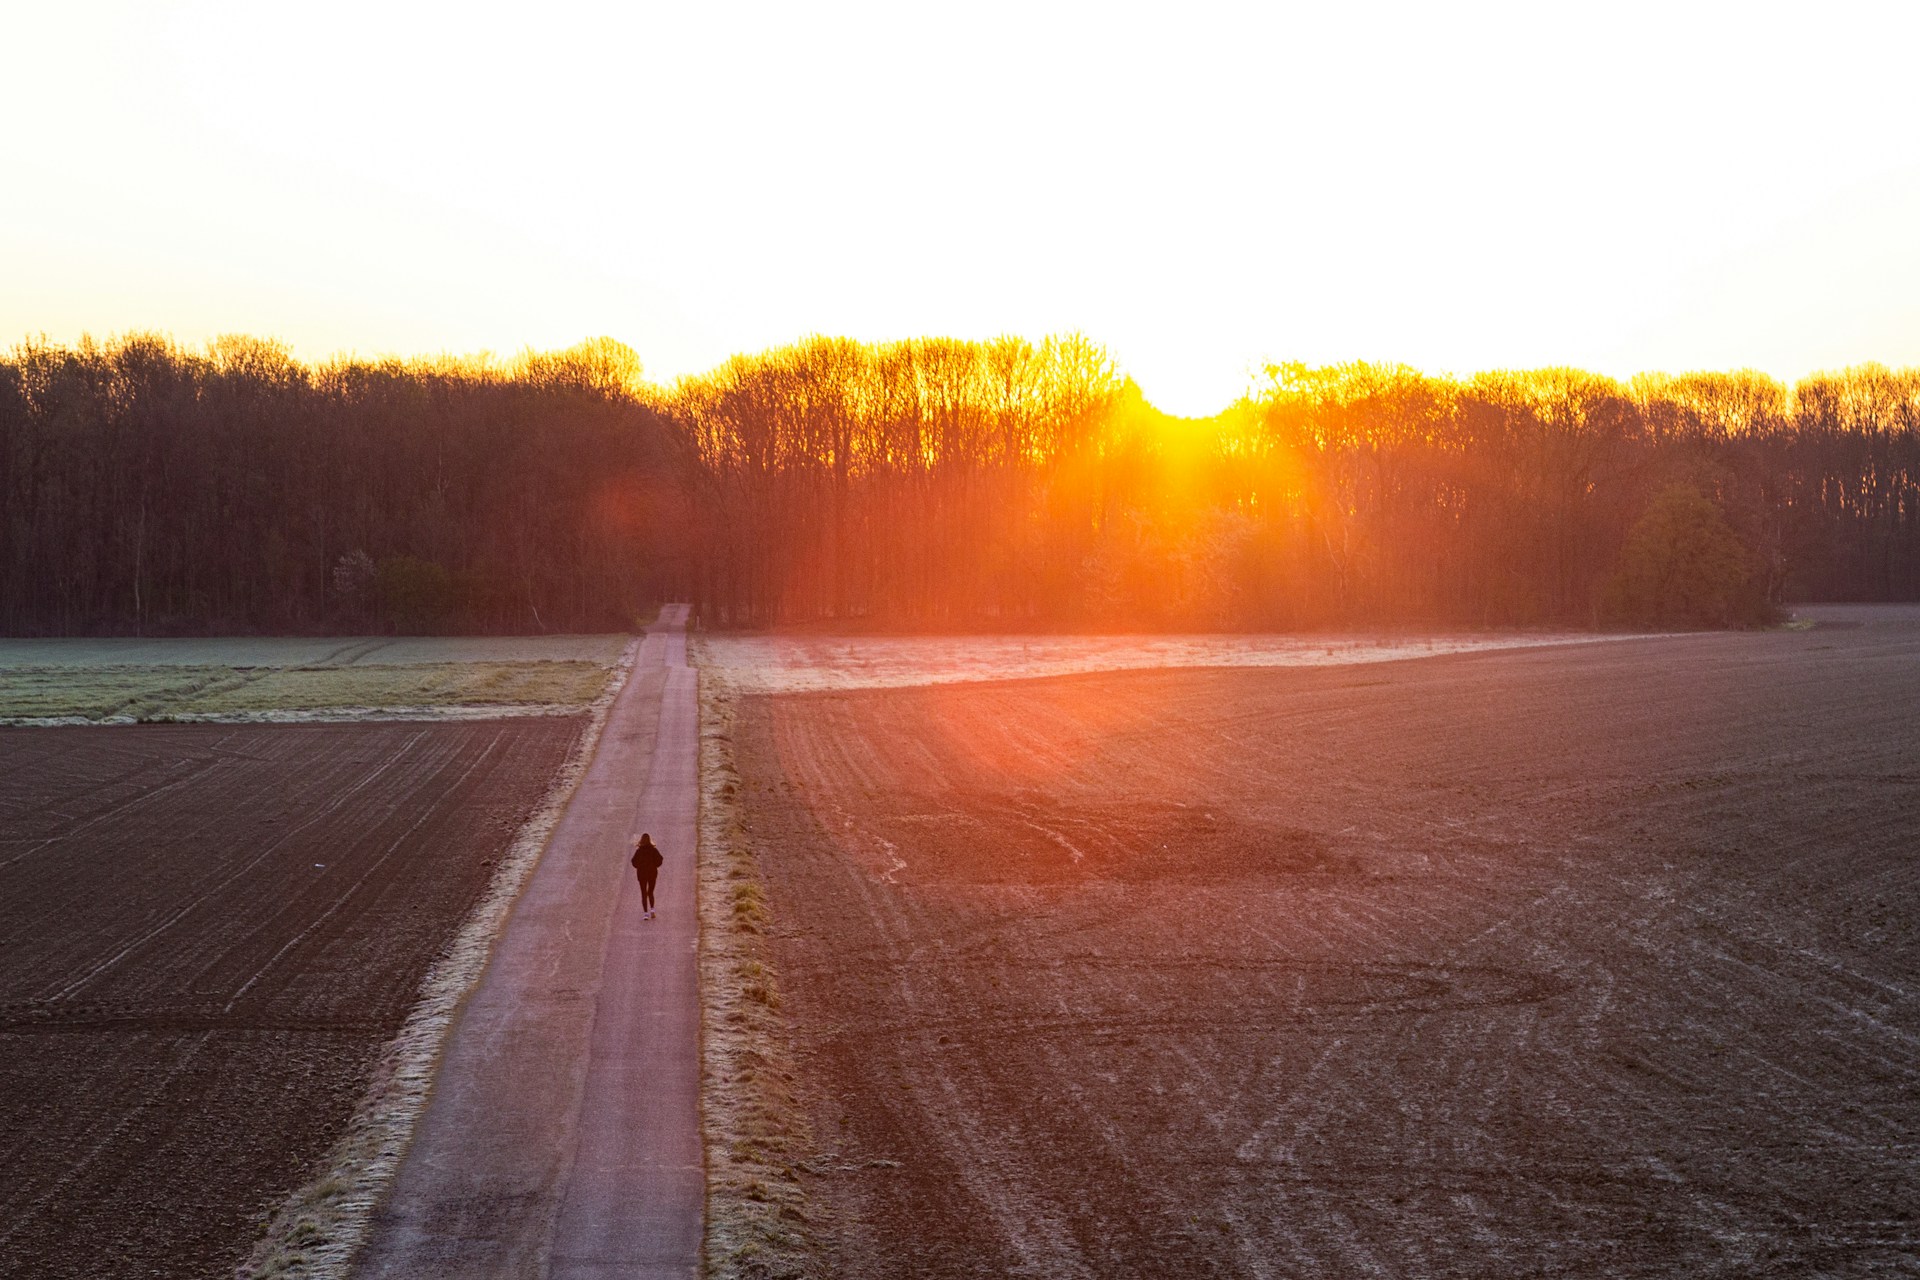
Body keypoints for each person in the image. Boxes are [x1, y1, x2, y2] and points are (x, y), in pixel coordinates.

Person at [631, 833, 663, 919]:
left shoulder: (639, 851)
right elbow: (660, 860)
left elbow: (633, 862)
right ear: (649, 840)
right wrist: (655, 865)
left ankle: (646, 914)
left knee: (643, 893)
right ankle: (652, 910)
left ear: (641, 840)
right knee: (650, 892)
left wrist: (639, 867)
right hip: (652, 874)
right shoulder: (653, 850)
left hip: (642, 875)